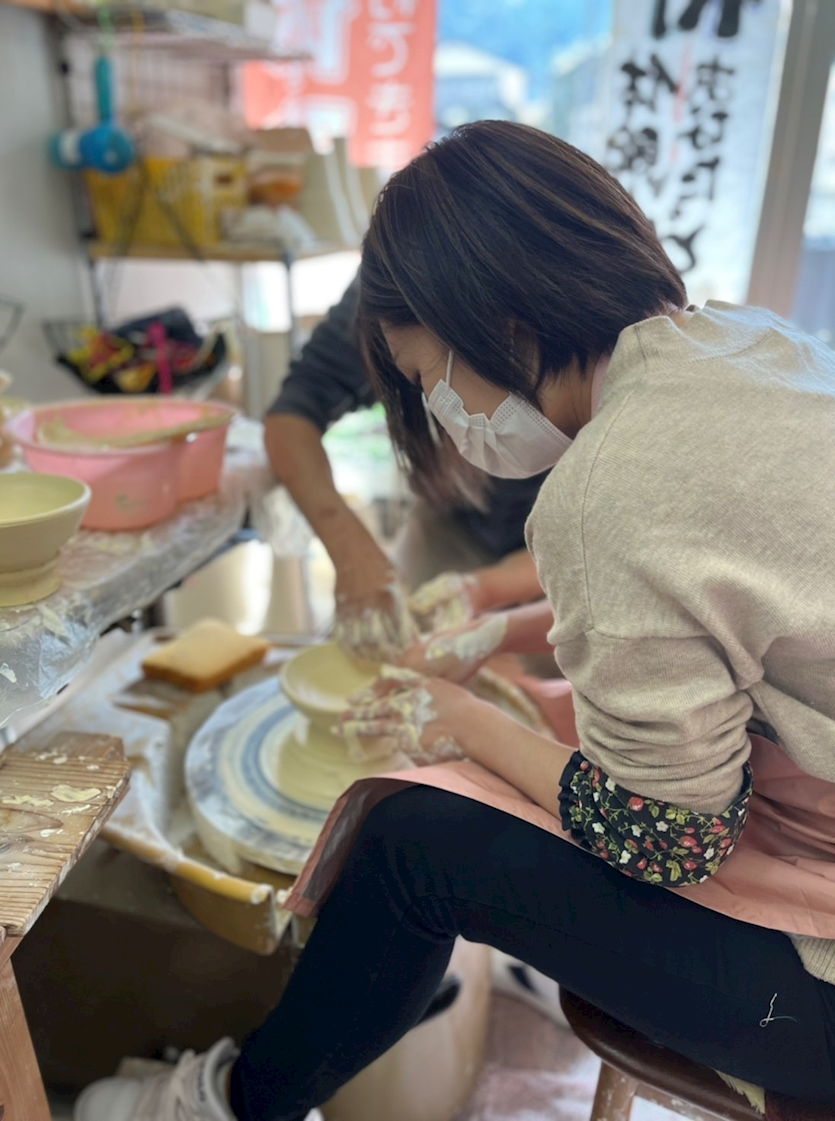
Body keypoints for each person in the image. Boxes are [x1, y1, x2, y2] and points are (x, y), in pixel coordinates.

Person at [76, 120, 835, 1121]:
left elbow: (666, 837)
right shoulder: (746, 341)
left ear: (502, 321)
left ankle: (228, 1104)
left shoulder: (613, 483)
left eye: (426, 374)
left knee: (410, 844)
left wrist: (459, 717)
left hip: (813, 990)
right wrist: (496, 628)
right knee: (535, 731)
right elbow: (704, 606)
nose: (434, 407)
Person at [263, 275, 544, 660]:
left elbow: (603, 542)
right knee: (401, 663)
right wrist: (353, 554)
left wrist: (491, 600)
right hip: (456, 518)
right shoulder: (392, 280)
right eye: (418, 378)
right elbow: (292, 414)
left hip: (585, 553)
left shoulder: (598, 348)